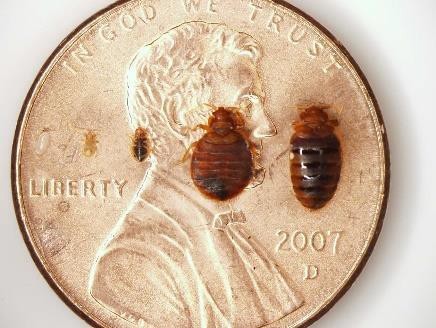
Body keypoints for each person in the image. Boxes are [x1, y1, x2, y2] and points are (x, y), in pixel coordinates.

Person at [89, 21, 303, 328]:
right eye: (244, 104)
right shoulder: (133, 265)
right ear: (179, 116)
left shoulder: (230, 229)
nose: (267, 128)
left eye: (258, 104)